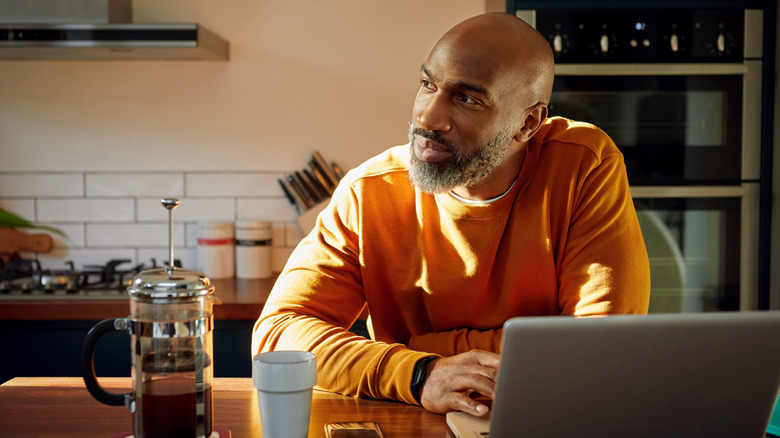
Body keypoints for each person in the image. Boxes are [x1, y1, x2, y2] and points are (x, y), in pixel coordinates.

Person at [252, 12, 650, 417]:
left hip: (547, 415)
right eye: (428, 85)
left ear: (528, 123)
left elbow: (602, 348)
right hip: (414, 417)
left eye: (467, 98)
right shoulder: (370, 191)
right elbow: (278, 335)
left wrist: (422, 347)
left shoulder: (583, 165)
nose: (427, 117)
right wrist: (420, 373)